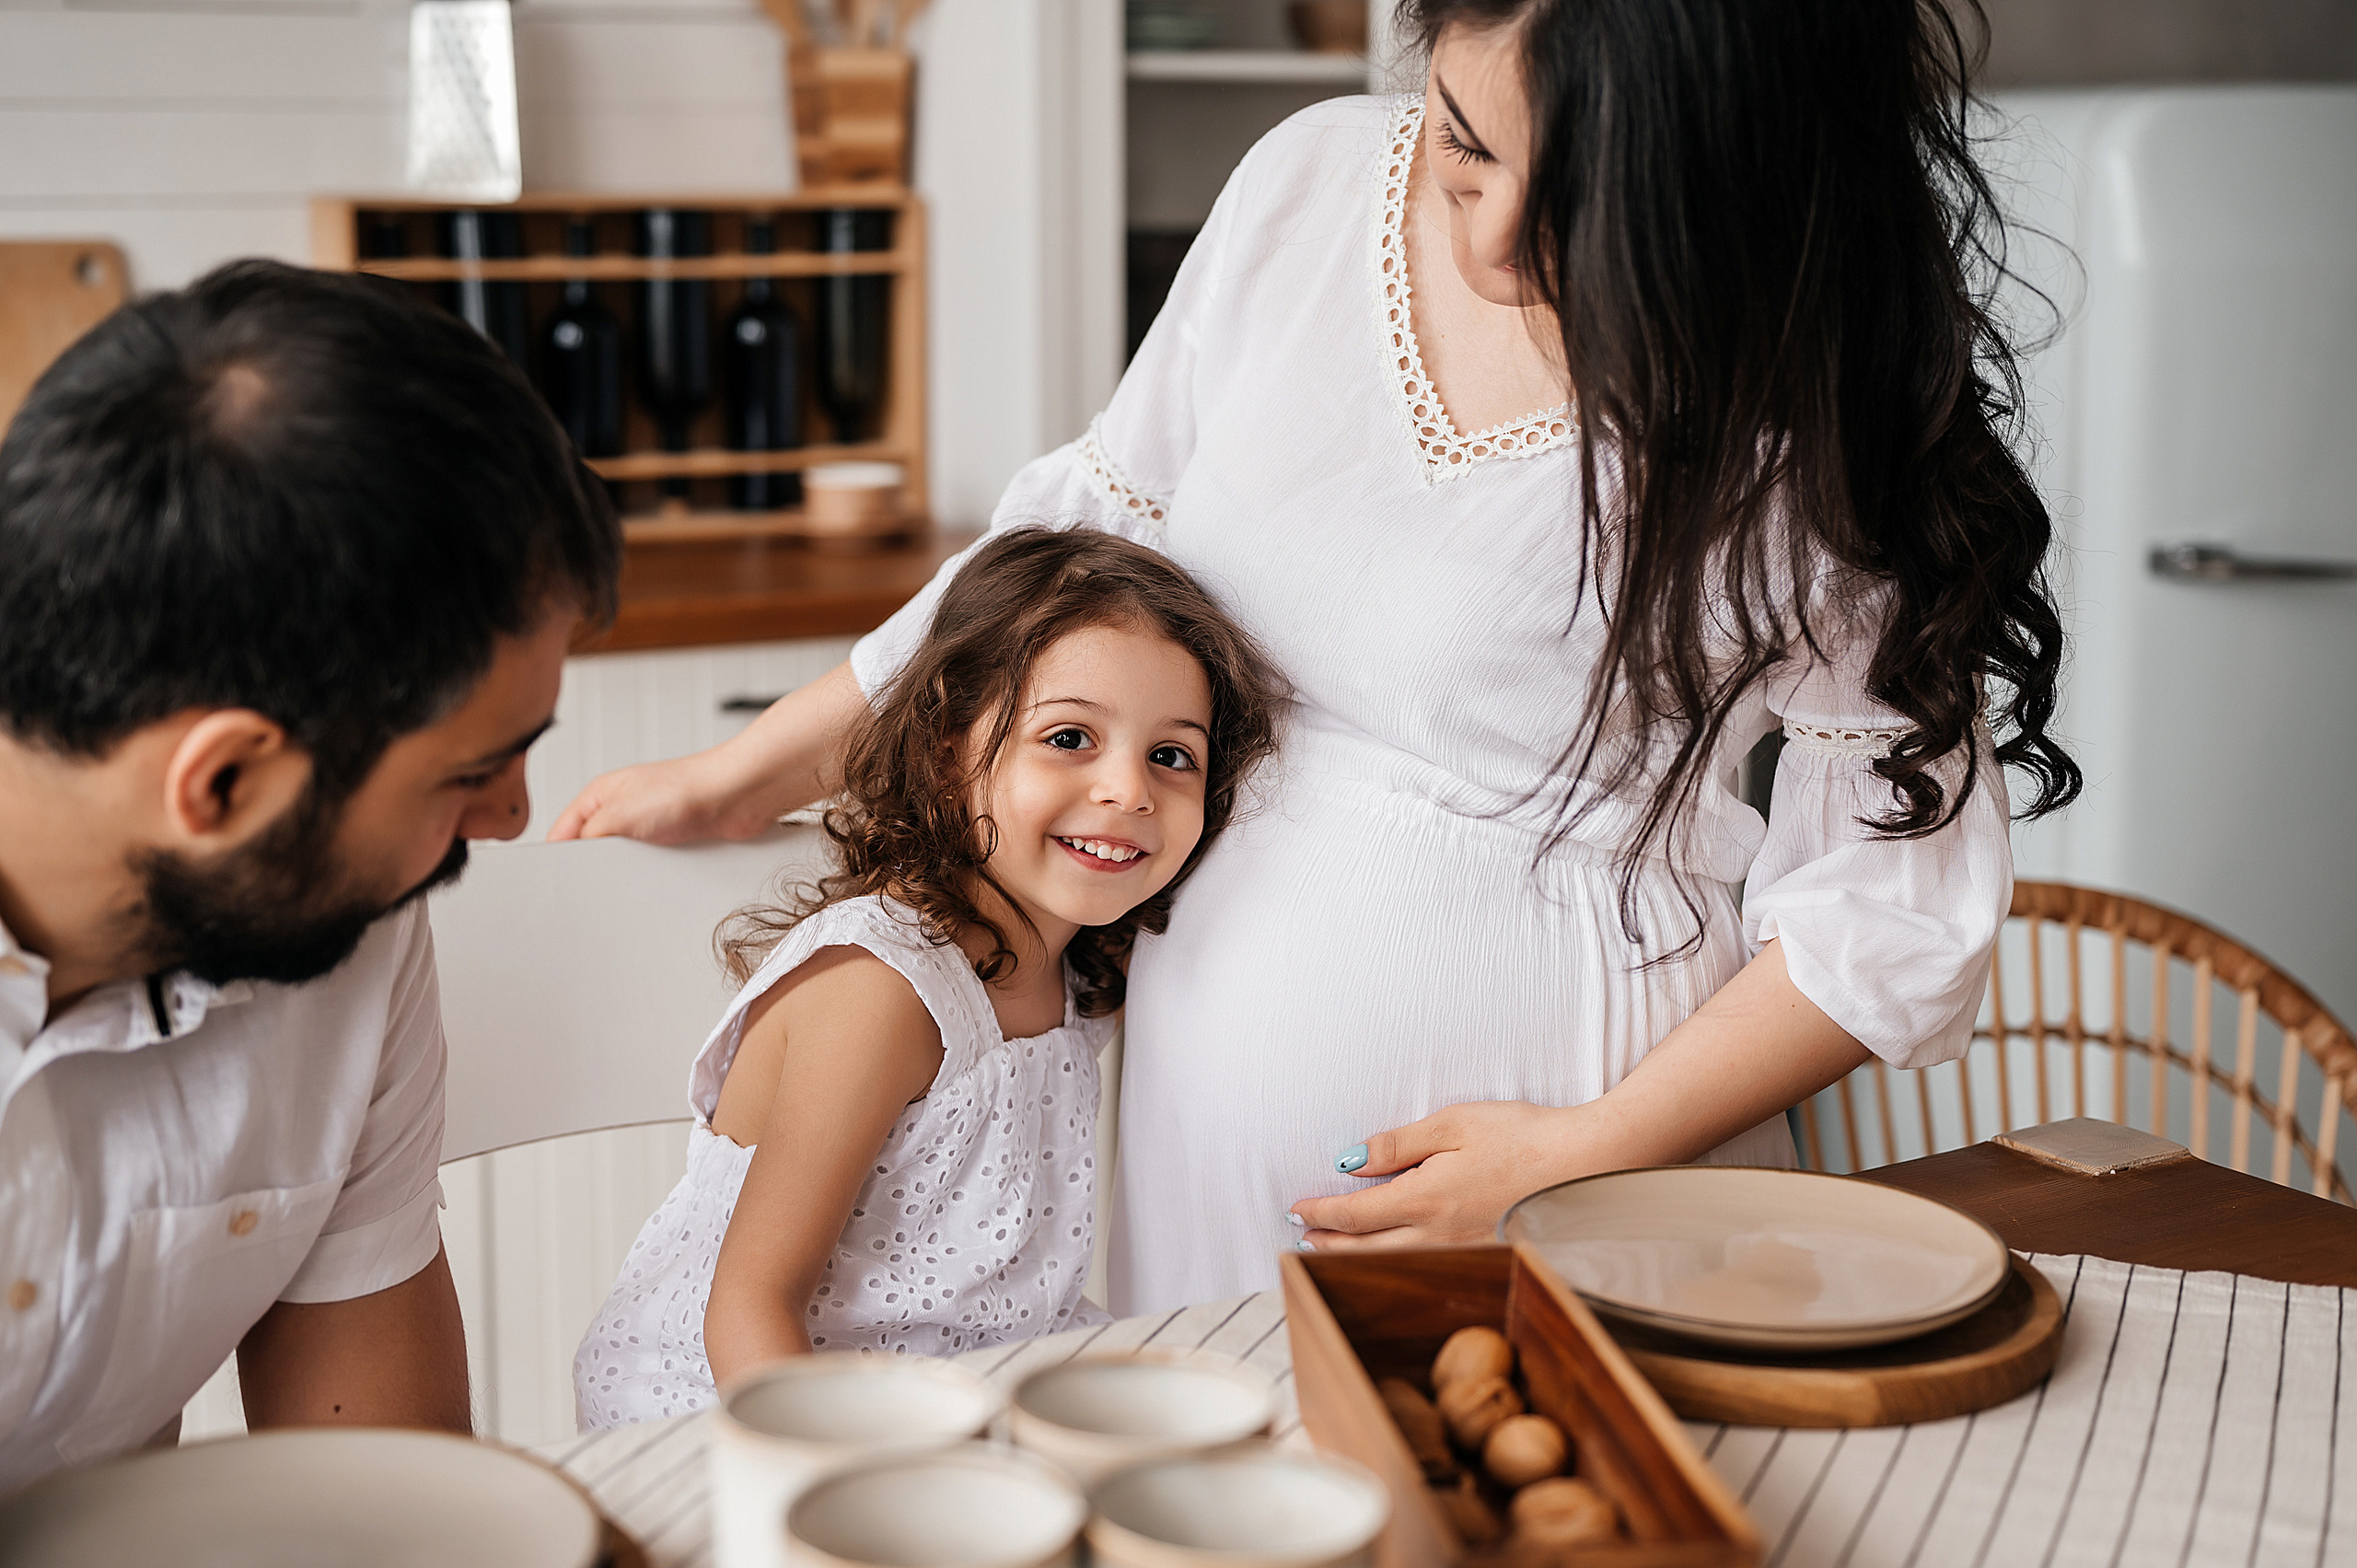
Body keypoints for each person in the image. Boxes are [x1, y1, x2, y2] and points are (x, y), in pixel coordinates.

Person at [552, 0, 2079, 1313]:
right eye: (1465, 149)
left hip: (1579, 1173)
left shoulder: (1808, 410)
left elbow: (1887, 906)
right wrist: (749, 770)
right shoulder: (1309, 184)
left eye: (1575, 204)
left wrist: (1581, 1153)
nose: (1488, 241)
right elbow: (1076, 547)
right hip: (1187, 1152)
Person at [0, 260, 620, 1487]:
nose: (510, 817)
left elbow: (380, 1498)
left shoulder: (338, 930)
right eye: (470, 770)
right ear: (224, 781)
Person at [572, 528, 1282, 1424]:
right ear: (948, 751)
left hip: (947, 1388)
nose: (1129, 790)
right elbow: (748, 1309)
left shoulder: (1085, 968)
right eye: (1070, 737)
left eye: (1171, 755)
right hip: (739, 1410)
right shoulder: (881, 990)